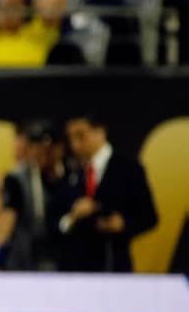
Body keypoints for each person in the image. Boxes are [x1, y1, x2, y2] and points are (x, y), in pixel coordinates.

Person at [0, 121, 66, 271]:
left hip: (63, 262)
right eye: (34, 147)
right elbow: (6, 222)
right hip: (26, 263)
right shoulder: (18, 179)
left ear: (58, 149)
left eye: (46, 148)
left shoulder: (72, 176)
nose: (40, 153)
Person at [56, 114, 158, 272]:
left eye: (81, 136)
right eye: (71, 138)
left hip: (114, 264)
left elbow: (149, 217)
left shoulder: (128, 168)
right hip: (77, 269)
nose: (75, 145)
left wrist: (122, 224)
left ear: (100, 132)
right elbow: (57, 220)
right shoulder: (69, 172)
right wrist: (72, 217)